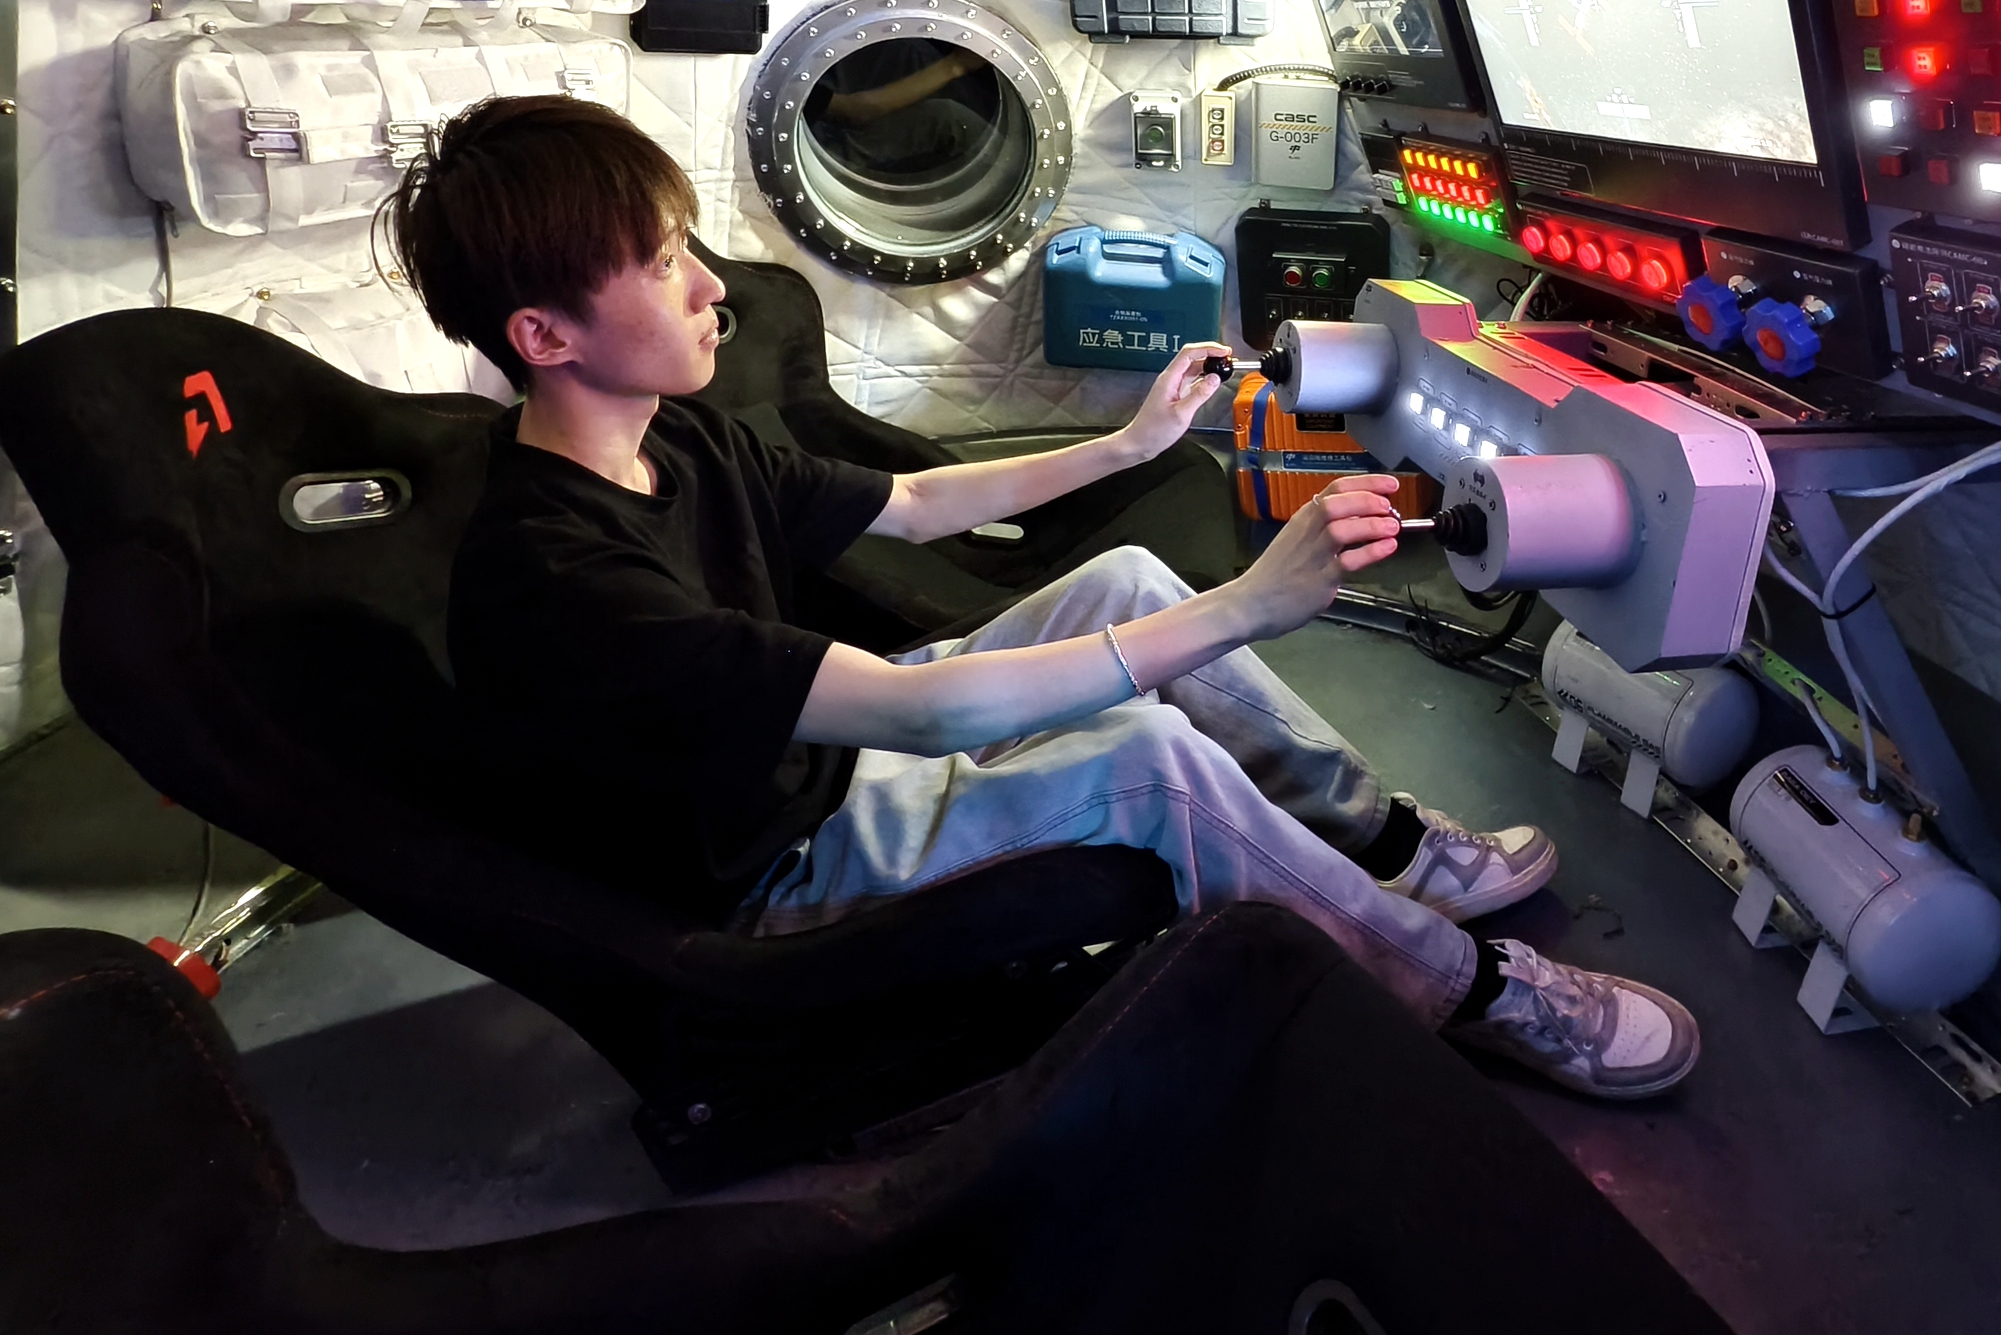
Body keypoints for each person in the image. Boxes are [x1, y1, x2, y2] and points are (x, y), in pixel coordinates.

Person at [384, 95, 1701, 1100]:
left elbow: (905, 504)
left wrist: (1125, 448)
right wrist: (1244, 604)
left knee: (1123, 577)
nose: (712, 284)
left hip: (824, 766)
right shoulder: (559, 573)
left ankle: (1388, 851)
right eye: (663, 264)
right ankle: (1460, 991)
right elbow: (920, 715)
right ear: (544, 336)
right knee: (1148, 760)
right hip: (778, 869)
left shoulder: (669, 439)